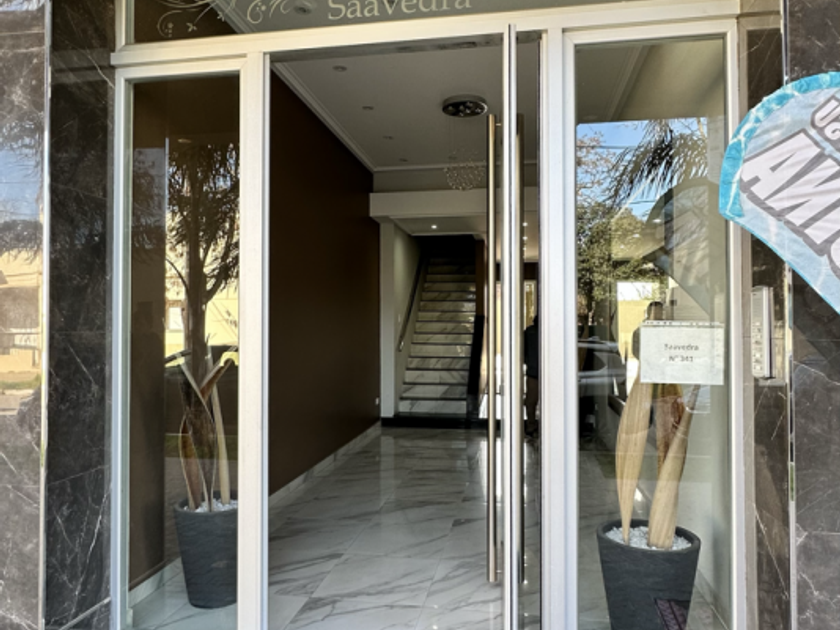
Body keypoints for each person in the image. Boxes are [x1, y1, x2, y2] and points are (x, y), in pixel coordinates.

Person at [524, 315, 540, 439]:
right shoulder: (552, 332)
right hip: (548, 372)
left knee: (531, 401)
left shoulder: (529, 332)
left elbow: (523, 351)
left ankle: (531, 425)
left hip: (533, 372)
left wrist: (528, 362)